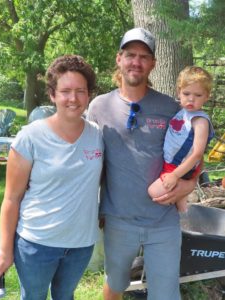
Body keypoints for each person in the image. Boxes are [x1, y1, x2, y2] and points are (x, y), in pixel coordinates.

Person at [87, 28, 198, 300]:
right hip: (117, 220)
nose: (136, 61)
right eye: (130, 55)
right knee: (115, 284)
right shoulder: (99, 107)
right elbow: (88, 161)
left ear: (153, 64)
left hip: (163, 222)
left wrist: (187, 185)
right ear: (119, 59)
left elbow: (195, 156)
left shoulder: (171, 108)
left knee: (165, 293)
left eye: (143, 56)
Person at [0, 55, 104, 300]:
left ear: (88, 95)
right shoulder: (30, 137)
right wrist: (4, 249)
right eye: (65, 91)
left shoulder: (98, 136)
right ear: (52, 95)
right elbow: (11, 198)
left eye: (80, 91)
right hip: (36, 244)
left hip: (81, 245)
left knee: (65, 296)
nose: (73, 99)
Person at [148, 66, 214, 212]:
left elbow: (197, 153)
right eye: (186, 93)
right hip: (171, 163)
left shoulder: (200, 120)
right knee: (180, 207)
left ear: (206, 96)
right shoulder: (183, 112)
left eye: (198, 95)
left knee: (154, 192)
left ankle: (183, 208)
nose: (191, 99)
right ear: (179, 92)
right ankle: (184, 217)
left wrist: (175, 175)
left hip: (181, 167)